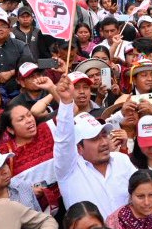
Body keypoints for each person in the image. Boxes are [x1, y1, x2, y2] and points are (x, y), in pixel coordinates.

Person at [50, 74, 138, 219]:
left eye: (104, 135)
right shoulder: (68, 170)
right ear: (79, 148)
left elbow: (143, 191)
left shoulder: (122, 160)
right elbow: (63, 140)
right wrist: (66, 103)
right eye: (94, 138)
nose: (104, 142)